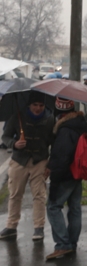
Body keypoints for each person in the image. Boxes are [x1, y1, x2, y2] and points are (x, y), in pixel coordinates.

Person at [0, 91, 55, 241]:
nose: (38, 108)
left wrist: (50, 163)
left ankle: (39, 227)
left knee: (39, 195)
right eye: (35, 105)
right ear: (29, 105)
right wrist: (14, 144)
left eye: (41, 105)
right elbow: (5, 136)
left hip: (40, 160)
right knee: (15, 193)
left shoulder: (50, 119)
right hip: (19, 160)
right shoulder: (17, 117)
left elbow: (53, 142)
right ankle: (11, 226)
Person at [45, 97, 87, 260]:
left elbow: (61, 156)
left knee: (53, 206)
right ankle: (72, 243)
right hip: (77, 172)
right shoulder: (81, 124)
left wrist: (53, 174)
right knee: (75, 208)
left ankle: (63, 244)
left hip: (65, 174)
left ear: (60, 113)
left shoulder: (65, 130)